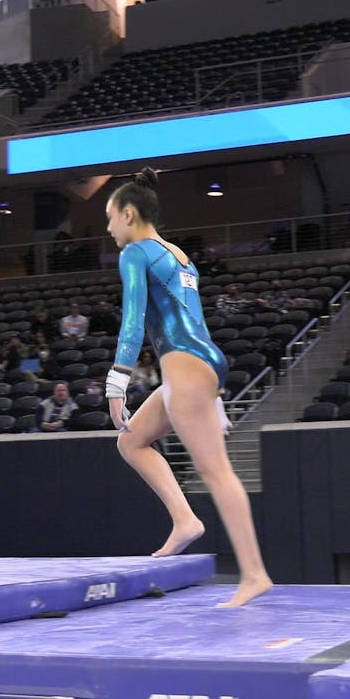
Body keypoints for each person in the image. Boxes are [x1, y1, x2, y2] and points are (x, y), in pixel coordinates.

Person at [103, 167, 271, 608]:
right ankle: (184, 520)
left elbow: (132, 321)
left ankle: (254, 574)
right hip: (202, 362)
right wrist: (211, 393)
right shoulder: (178, 255)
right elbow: (192, 320)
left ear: (128, 214)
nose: (108, 228)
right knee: (132, 441)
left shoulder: (136, 253)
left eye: (110, 218)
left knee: (216, 472)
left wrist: (117, 382)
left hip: (185, 366)